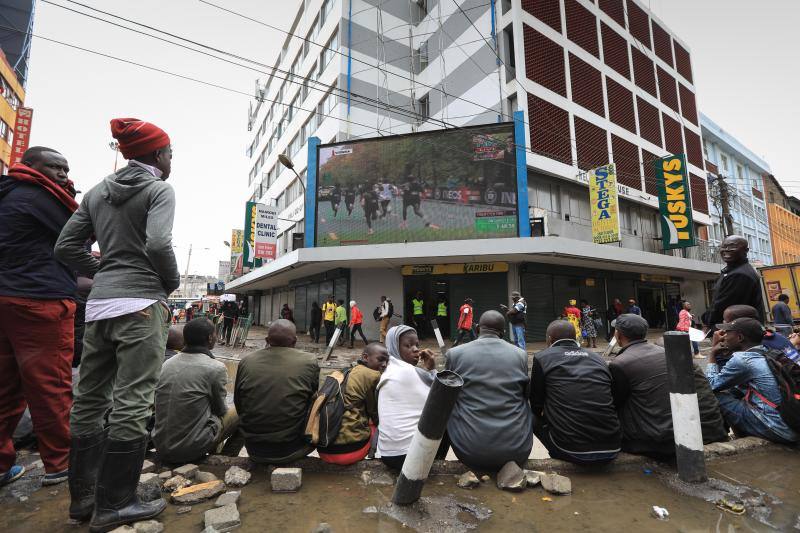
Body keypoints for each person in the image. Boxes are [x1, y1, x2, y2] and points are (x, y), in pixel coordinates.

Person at [55, 118, 178, 528]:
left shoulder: (96, 192)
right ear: (158, 155)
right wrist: (170, 280)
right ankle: (116, 504)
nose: (172, 159)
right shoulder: (159, 189)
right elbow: (158, 243)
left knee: (90, 397)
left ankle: (83, 500)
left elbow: (65, 246)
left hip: (100, 307)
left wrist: (102, 270)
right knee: (133, 401)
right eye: (170, 153)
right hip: (142, 303)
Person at [0, 146, 78, 488]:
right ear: (29, 166)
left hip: (6, 298)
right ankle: (60, 463)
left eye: (65, 169)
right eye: (55, 167)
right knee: (51, 387)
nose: (62, 175)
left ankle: (2, 464)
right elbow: (79, 235)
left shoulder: (8, 195)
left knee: (6, 388)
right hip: (38, 300)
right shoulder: (40, 197)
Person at [609, 315, 726, 459]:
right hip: (695, 431)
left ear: (618, 334)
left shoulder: (620, 363)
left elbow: (615, 402)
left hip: (660, 441)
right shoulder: (665, 352)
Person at [445, 311, 533, 471]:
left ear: (477, 329)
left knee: (448, 401)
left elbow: (445, 397)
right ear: (503, 333)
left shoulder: (455, 354)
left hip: (469, 452)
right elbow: (525, 395)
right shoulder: (520, 355)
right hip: (517, 452)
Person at [530, 320, 621, 464]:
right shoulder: (598, 358)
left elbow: (536, 403)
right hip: (612, 447)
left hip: (570, 450)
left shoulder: (542, 358)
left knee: (528, 415)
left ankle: (557, 452)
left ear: (549, 339)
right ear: (575, 338)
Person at [153, 318, 238, 463]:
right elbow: (220, 410)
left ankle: (214, 452)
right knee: (241, 410)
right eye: (215, 334)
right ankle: (224, 458)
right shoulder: (215, 368)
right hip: (188, 448)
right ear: (210, 338)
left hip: (160, 444)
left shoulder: (167, 363)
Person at [233, 319, 319, 463]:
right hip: (292, 449)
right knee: (321, 399)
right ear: (295, 340)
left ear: (267, 340)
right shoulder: (309, 361)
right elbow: (313, 400)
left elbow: (239, 402)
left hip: (254, 449)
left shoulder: (247, 361)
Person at [706, 318, 799, 444]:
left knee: (714, 396)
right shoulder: (768, 352)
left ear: (739, 338)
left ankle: (720, 437)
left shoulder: (743, 360)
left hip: (778, 428)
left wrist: (712, 353)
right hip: (792, 423)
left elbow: (711, 386)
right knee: (735, 391)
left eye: (727, 333)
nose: (724, 337)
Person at [376, 325, 439, 470]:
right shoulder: (408, 372)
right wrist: (432, 368)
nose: (416, 349)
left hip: (388, 455)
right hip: (410, 456)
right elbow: (440, 397)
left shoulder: (389, 368)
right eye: (408, 345)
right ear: (395, 347)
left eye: (417, 345)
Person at [318, 343, 389, 465]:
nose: (384, 365)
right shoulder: (373, 375)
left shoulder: (344, 372)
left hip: (324, 450)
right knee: (376, 424)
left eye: (387, 361)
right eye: (381, 360)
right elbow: (375, 414)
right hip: (351, 451)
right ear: (365, 357)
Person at [705, 235, 765, 330]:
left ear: (746, 250)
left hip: (738, 332)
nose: (727, 250)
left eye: (732, 246)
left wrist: (709, 322)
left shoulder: (740, 275)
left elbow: (723, 305)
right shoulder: (732, 271)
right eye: (724, 247)